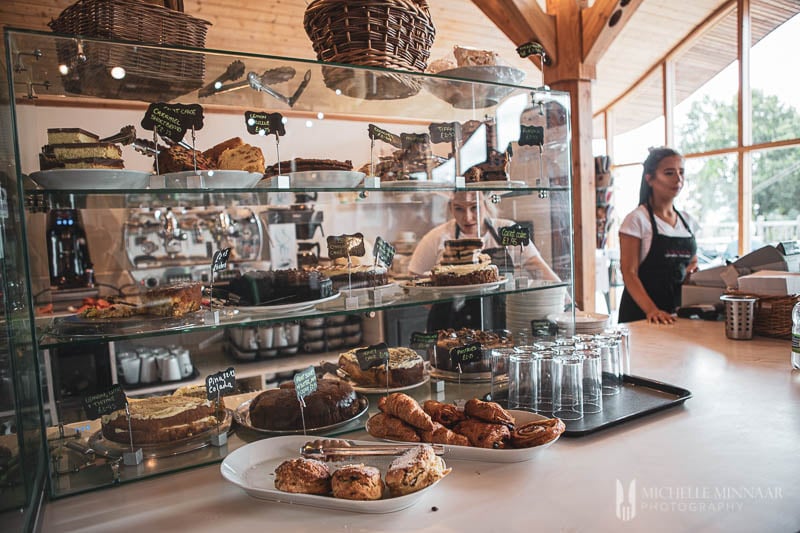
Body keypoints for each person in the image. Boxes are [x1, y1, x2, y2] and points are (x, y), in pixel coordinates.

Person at [409, 191, 559, 330]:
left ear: (487, 205)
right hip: (449, 325)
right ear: (450, 208)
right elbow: (414, 278)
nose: (467, 217)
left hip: (499, 320)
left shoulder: (508, 229)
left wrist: (567, 305)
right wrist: (441, 308)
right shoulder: (436, 236)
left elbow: (538, 267)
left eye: (475, 207)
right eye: (459, 209)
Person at [618, 147, 699, 324]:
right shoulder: (637, 220)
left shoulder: (688, 221)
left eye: (681, 172)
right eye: (669, 173)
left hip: (676, 316)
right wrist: (652, 311)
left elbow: (691, 262)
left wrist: (692, 273)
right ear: (650, 179)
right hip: (641, 317)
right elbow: (629, 273)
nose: (678, 179)